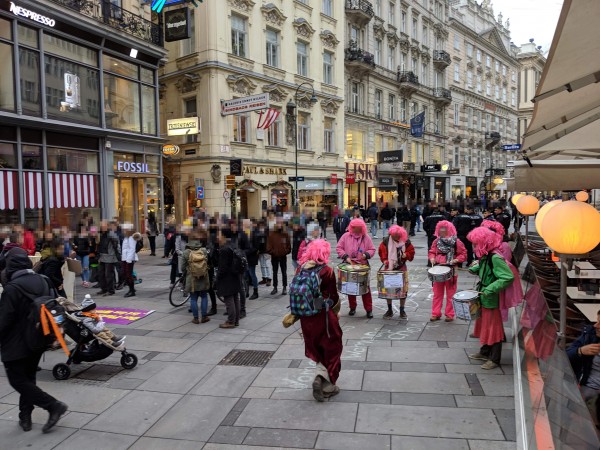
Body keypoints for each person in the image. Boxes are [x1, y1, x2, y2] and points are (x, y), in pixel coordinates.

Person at [0, 248, 68, 433]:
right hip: (38, 339)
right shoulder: (43, 280)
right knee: (28, 378)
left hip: (15, 343)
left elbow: (3, 321)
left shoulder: (12, 289)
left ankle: (53, 405)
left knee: (17, 380)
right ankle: (25, 416)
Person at [296, 239, 342, 402]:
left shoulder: (300, 269)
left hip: (305, 317)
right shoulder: (327, 271)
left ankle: (321, 376)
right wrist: (336, 311)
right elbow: (333, 296)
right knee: (333, 347)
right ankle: (326, 383)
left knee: (316, 348)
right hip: (323, 315)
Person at [467, 227, 514, 369]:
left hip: (490, 297)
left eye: (475, 244)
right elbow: (483, 267)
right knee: (484, 325)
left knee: (493, 327)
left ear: (483, 243)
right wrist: (473, 269)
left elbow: (507, 277)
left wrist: (489, 289)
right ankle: (485, 352)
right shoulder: (486, 256)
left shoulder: (495, 257)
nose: (473, 247)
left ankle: (495, 359)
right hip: (484, 296)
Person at [427, 220, 467, 322]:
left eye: (444, 230)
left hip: (452, 269)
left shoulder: (457, 241)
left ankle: (450, 314)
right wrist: (432, 258)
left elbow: (463, 254)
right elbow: (431, 252)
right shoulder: (436, 241)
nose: (442, 232)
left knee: (451, 293)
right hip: (438, 268)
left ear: (449, 230)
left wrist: (457, 260)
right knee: (437, 293)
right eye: (440, 230)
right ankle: (435, 313)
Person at [336, 218, 376, 318]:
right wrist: (346, 257)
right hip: (350, 265)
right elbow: (339, 248)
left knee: (365, 288)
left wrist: (366, 255)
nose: (356, 230)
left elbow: (372, 249)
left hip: (362, 266)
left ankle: (369, 309)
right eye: (354, 228)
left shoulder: (366, 237)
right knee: (351, 287)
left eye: (358, 228)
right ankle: (352, 307)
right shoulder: (345, 236)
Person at [378, 225, 415, 320]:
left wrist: (406, 255)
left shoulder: (406, 242)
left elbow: (411, 253)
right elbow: (381, 252)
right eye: (394, 235)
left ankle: (402, 310)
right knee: (388, 289)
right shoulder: (386, 241)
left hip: (401, 267)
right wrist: (385, 260)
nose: (396, 237)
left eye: (397, 235)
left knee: (403, 289)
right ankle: (389, 310)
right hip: (389, 267)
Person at [568, 312, 600, 403]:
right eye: (597, 321)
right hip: (588, 387)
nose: (595, 326)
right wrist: (580, 351)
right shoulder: (589, 335)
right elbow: (566, 356)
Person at [181, 231, 211, 324]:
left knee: (193, 298)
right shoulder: (204, 250)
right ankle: (204, 316)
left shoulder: (186, 252)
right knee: (204, 296)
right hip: (203, 277)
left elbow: (182, 268)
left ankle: (196, 318)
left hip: (192, 279)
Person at [215, 229, 242, 328]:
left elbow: (223, 268)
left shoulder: (224, 250)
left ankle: (231, 321)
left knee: (229, 299)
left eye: (219, 235)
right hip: (235, 275)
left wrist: (217, 278)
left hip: (227, 278)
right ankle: (236, 320)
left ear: (224, 237)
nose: (217, 237)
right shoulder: (232, 245)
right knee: (235, 298)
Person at [267, 217, 291, 296]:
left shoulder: (285, 234)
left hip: (283, 257)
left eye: (281, 223)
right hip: (274, 257)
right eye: (278, 223)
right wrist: (274, 252)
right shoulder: (272, 234)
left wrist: (284, 251)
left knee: (284, 272)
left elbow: (289, 247)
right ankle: (275, 287)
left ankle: (284, 287)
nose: (279, 225)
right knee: (275, 272)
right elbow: (268, 247)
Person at [96, 221, 120, 297]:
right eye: (101, 226)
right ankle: (104, 288)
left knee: (108, 274)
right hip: (102, 255)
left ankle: (111, 290)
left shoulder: (111, 234)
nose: (102, 227)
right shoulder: (101, 234)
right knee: (101, 274)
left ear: (107, 226)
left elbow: (116, 245)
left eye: (103, 226)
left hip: (110, 256)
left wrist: (117, 255)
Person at [121, 225, 141, 298]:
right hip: (125, 258)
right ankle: (132, 289)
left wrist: (129, 260)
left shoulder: (131, 238)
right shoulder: (126, 237)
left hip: (129, 259)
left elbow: (132, 249)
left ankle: (132, 291)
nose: (123, 231)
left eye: (125, 229)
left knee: (128, 274)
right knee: (125, 274)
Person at [256, 220, 272, 287]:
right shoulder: (259, 232)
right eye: (259, 226)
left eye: (262, 225)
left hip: (267, 252)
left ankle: (269, 279)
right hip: (260, 251)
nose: (260, 227)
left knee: (267, 265)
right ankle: (264, 278)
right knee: (262, 265)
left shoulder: (267, 232)